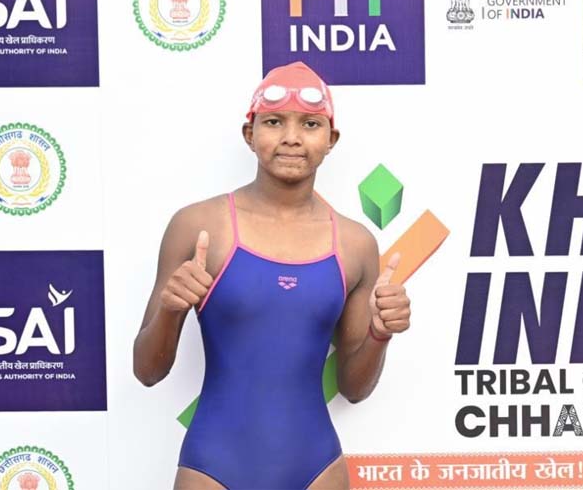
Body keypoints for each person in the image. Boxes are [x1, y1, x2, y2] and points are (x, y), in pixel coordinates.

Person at [132, 61, 412, 489]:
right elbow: (146, 371)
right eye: (274, 121)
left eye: (310, 124)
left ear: (331, 139)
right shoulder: (198, 226)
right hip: (212, 464)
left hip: (317, 467)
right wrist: (171, 309)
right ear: (250, 134)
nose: (292, 137)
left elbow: (354, 389)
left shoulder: (355, 244)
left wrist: (379, 334)